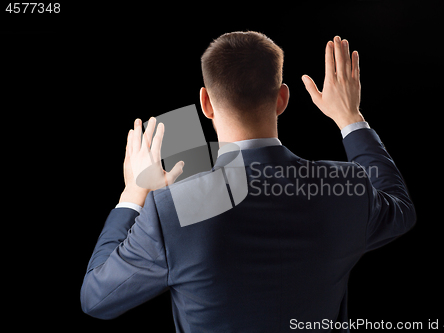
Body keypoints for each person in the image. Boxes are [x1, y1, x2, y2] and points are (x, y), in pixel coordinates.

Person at [81, 31, 416, 332]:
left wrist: (133, 193)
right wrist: (350, 118)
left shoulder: (170, 210)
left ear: (206, 103)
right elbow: (401, 209)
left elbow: (96, 298)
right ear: (282, 99)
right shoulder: (347, 187)